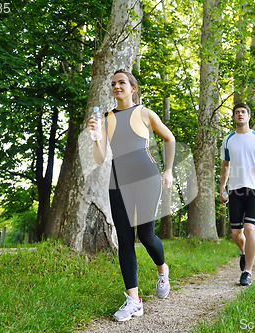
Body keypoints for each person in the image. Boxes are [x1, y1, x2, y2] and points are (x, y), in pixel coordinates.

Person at [88, 69, 175, 322]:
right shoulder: (105, 119)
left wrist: (168, 171)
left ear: (132, 88)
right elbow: (100, 158)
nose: (117, 86)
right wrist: (96, 137)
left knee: (146, 235)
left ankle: (162, 269)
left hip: (146, 177)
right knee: (125, 239)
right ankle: (134, 301)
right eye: (113, 83)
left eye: (122, 82)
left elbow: (169, 138)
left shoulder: (144, 113)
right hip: (118, 180)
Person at [219, 103, 255, 286]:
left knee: (251, 229)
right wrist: (222, 187)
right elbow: (225, 166)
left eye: (243, 112)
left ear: (249, 116)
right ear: (234, 117)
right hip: (235, 190)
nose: (240, 114)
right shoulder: (228, 139)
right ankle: (244, 252)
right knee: (236, 233)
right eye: (237, 112)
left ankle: (247, 271)